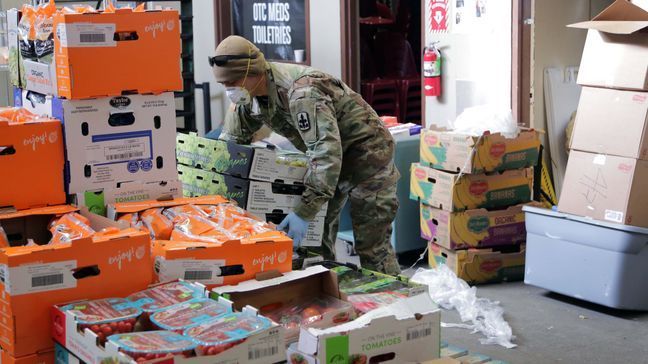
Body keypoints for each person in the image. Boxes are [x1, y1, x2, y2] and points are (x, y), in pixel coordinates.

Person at [210, 35, 401, 275]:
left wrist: (304, 211)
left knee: (372, 246)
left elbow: (325, 151)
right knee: (315, 240)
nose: (229, 90)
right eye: (224, 85)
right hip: (328, 159)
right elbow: (231, 145)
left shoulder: (303, 91)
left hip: (368, 155)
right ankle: (327, 292)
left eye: (233, 82)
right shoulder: (248, 97)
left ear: (252, 72)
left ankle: (396, 306)